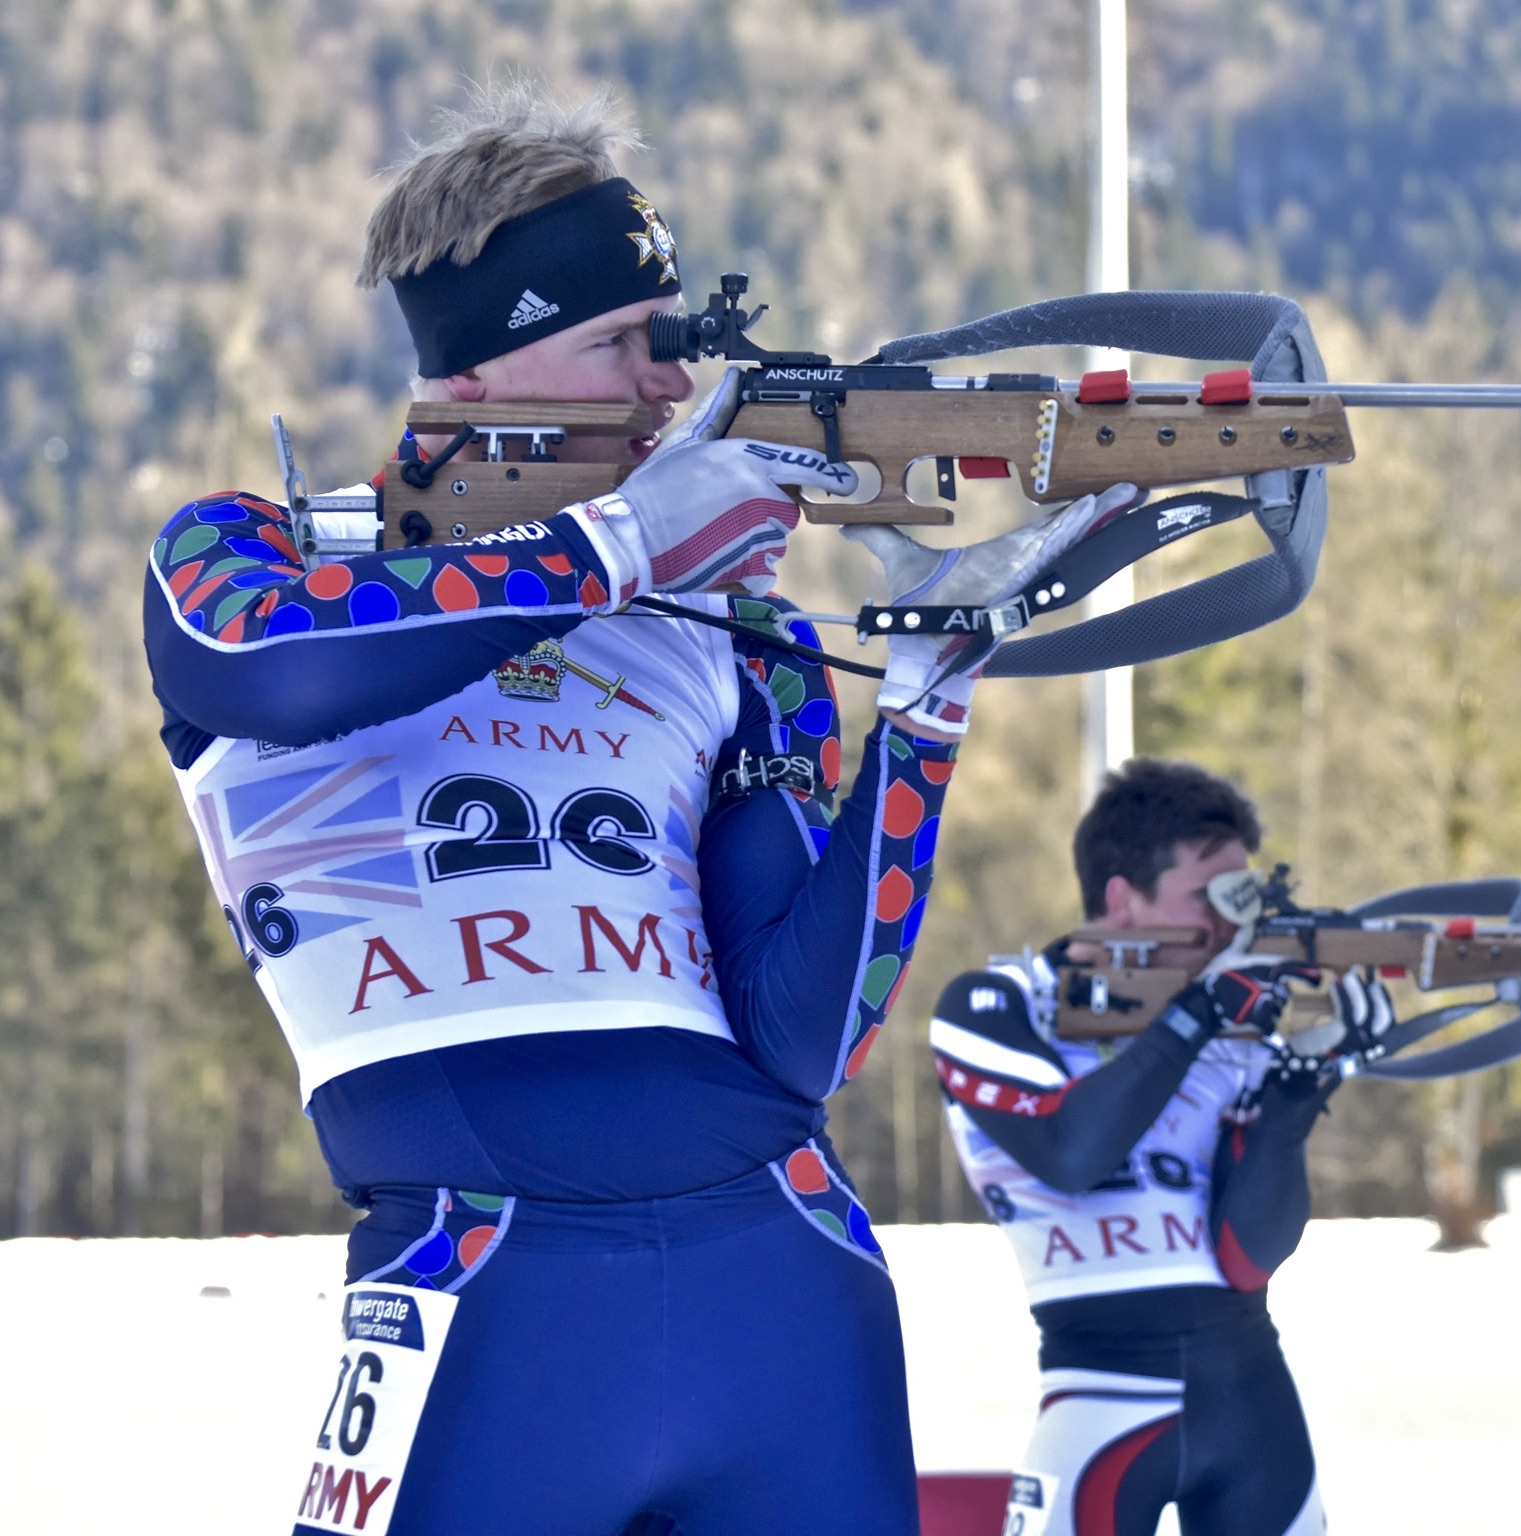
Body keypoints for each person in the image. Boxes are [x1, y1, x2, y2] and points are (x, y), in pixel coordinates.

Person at [142, 85, 1133, 1536]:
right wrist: (617, 543)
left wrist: (921, 713)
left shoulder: (721, 626)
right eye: (620, 343)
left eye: (673, 342)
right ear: (474, 373)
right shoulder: (262, 551)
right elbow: (263, 671)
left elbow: (808, 1036)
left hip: (779, 1274)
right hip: (480, 1285)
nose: (670, 390)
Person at [930, 759, 1393, 1536]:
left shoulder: (1234, 1022)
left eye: (1242, 902)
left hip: (1252, 1399)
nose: (1230, 931)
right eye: (1209, 901)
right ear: (1122, 897)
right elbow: (1070, 1155)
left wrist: (1298, 1094)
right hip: (1099, 1395)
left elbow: (1249, 1257)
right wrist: (1195, 1017)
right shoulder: (997, 1006)